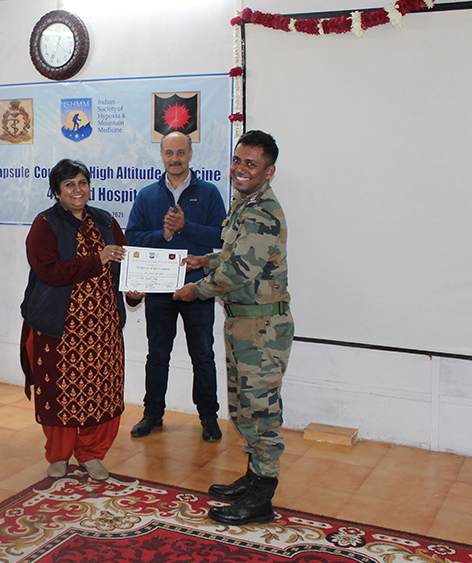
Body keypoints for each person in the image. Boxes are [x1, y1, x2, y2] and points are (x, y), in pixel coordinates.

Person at [173, 130, 293, 527]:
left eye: (251, 164)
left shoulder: (262, 212)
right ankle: (253, 478)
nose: (240, 169)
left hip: (261, 328)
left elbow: (240, 271)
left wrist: (197, 290)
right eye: (238, 160)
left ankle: (262, 497)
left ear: (268, 171)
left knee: (262, 413)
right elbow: (232, 254)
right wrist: (204, 261)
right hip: (244, 323)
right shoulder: (245, 203)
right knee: (244, 408)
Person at [20, 158, 143, 481]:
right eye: (69, 184)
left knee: (102, 391)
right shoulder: (44, 224)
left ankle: (92, 453)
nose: (78, 190)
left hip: (103, 327)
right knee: (59, 393)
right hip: (59, 327)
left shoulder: (105, 220)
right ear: (56, 192)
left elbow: (125, 263)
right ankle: (58, 455)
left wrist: (134, 292)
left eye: (82, 183)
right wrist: (96, 259)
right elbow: (49, 272)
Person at [125, 131, 227, 442]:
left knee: (203, 355)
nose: (175, 159)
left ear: (191, 154)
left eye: (181, 152)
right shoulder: (147, 196)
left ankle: (208, 417)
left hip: (198, 289)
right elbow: (133, 238)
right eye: (169, 153)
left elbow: (222, 237)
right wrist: (164, 236)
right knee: (157, 355)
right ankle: (152, 414)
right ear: (161, 155)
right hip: (159, 289)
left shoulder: (209, 193)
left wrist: (186, 227)